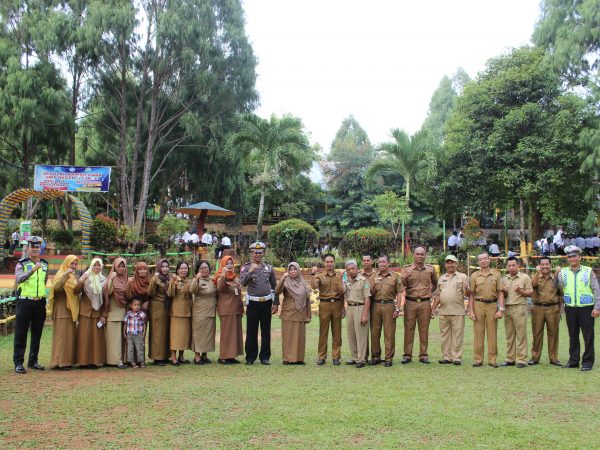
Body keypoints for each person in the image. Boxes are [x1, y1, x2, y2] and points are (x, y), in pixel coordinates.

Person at [560, 245, 600, 371]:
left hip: (586, 308)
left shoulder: (588, 271)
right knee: (573, 335)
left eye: (574, 256)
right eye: (569, 257)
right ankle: (573, 360)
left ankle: (587, 362)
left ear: (580, 257)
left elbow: (596, 290)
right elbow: (558, 289)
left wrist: (597, 307)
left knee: (588, 336)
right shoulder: (563, 272)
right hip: (570, 308)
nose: (572, 259)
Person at [13, 236, 48, 374]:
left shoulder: (44, 264)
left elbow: (44, 282)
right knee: (21, 333)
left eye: (37, 247)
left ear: (40, 248)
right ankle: (18, 363)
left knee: (37, 333)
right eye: (32, 246)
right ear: (28, 248)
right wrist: (32, 270)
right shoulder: (21, 264)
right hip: (25, 302)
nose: (34, 249)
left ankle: (33, 361)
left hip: (39, 302)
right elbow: (19, 278)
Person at [240, 242, 277, 365]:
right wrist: (250, 271)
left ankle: (265, 357)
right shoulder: (246, 267)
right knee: (251, 331)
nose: (258, 255)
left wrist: (275, 302)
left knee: (266, 331)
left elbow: (274, 285)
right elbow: (243, 283)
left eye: (260, 252)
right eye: (255, 252)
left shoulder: (269, 268)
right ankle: (250, 357)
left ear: (263, 254)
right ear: (252, 253)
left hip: (266, 303)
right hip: (253, 304)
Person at [401, 247, 438, 364]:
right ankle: (407, 355)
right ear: (414, 255)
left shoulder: (430, 269)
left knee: (424, 329)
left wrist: (429, 293)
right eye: (417, 254)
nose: (420, 256)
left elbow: (435, 283)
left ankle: (423, 355)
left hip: (425, 303)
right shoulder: (407, 269)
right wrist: (405, 277)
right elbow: (402, 285)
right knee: (409, 329)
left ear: (425, 255)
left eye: (422, 254)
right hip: (410, 302)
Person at [468, 252, 504, 367]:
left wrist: (501, 309)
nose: (483, 261)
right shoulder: (474, 276)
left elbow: (500, 292)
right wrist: (471, 310)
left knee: (492, 333)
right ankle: (478, 359)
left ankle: (492, 359)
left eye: (485, 258)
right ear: (478, 262)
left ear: (489, 260)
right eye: (481, 259)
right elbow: (471, 294)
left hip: (492, 305)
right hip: (478, 305)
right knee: (478, 333)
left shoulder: (496, 275)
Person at [432, 255, 469, 365]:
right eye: (448, 263)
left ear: (456, 264)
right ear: (445, 265)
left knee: (458, 335)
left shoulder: (462, 277)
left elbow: (467, 294)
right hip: (443, 312)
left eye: (452, 262)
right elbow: (438, 296)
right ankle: (446, 357)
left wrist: (466, 288)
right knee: (444, 335)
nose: (450, 265)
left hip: (457, 311)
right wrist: (432, 309)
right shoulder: (441, 278)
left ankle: (457, 357)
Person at [369, 255, 404, 367]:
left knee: (389, 333)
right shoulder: (373, 276)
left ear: (388, 263)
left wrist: (398, 308)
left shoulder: (395, 277)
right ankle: (376, 356)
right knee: (375, 332)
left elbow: (399, 293)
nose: (381, 264)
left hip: (389, 305)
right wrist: (373, 286)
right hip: (375, 305)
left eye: (384, 262)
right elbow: (369, 293)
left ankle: (388, 358)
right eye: (379, 262)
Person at [275, 262, 312, 365]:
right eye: (290, 269)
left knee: (299, 337)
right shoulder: (286, 281)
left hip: (300, 313)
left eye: (294, 269)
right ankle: (287, 358)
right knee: (288, 336)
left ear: (298, 270)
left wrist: (309, 314)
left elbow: (307, 299)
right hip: (289, 313)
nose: (292, 271)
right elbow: (277, 291)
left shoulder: (303, 282)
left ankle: (299, 358)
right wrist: (282, 278)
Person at [311, 253, 344, 365]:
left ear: (334, 263)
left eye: (331, 262)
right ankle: (322, 356)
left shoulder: (339, 275)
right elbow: (314, 286)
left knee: (337, 332)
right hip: (324, 305)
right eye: (327, 262)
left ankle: (336, 357)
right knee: (323, 332)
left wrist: (343, 307)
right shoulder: (319, 276)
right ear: (324, 263)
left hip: (337, 304)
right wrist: (313, 274)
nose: (329, 264)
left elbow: (342, 292)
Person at [529, 256, 563, 366]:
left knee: (553, 334)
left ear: (550, 265)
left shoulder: (556, 277)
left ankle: (553, 358)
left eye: (547, 264)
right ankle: (535, 358)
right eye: (542, 264)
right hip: (538, 308)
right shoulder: (535, 277)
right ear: (539, 265)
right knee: (537, 333)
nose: (545, 266)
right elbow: (532, 286)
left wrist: (560, 308)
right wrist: (537, 273)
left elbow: (560, 293)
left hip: (553, 309)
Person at [500, 257, 533, 368]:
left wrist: (520, 291)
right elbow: (502, 295)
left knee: (521, 334)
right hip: (508, 308)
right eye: (509, 265)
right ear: (506, 267)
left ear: (518, 266)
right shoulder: (504, 279)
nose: (511, 267)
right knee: (509, 335)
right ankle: (510, 358)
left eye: (513, 265)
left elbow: (530, 293)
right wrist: (503, 292)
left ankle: (522, 359)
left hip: (519, 307)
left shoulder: (524, 277)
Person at [48, 255, 79, 370]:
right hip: (61, 311)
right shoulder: (61, 274)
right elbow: (57, 288)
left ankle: (66, 361)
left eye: (76, 264)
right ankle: (59, 362)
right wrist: (65, 275)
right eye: (72, 263)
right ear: (67, 263)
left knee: (68, 338)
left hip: (70, 311)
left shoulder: (73, 277)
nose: (74, 266)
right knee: (61, 337)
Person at [75, 257, 107, 368]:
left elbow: (106, 298)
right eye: (95, 265)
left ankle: (94, 361)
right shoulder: (86, 277)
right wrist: (81, 280)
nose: (97, 267)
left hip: (97, 313)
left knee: (96, 339)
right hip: (85, 312)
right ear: (91, 266)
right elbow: (76, 291)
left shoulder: (103, 279)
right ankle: (82, 362)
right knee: (83, 338)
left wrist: (104, 314)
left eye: (99, 265)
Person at [215, 255, 244, 364]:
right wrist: (223, 274)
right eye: (227, 263)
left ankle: (231, 355)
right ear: (223, 265)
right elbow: (220, 287)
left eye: (231, 263)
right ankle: (223, 356)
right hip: (226, 309)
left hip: (235, 309)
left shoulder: (234, 277)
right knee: (227, 334)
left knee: (234, 334)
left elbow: (239, 290)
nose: (230, 265)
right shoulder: (219, 276)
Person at [343, 260, 371, 368]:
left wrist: (365, 314)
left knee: (361, 335)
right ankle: (354, 357)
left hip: (360, 307)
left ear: (357, 269)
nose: (351, 271)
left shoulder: (363, 281)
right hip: (350, 308)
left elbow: (367, 298)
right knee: (351, 334)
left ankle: (362, 359)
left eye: (352, 268)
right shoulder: (347, 281)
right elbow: (342, 292)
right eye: (348, 269)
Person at [102, 257, 128, 369]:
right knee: (114, 340)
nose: (121, 268)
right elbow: (106, 291)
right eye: (119, 266)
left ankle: (122, 359)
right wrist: (111, 280)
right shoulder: (111, 277)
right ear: (115, 267)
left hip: (124, 312)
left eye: (123, 266)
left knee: (122, 339)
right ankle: (115, 360)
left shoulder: (126, 279)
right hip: (113, 312)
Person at [190, 260, 217, 365]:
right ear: (198, 270)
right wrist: (196, 279)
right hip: (199, 313)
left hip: (211, 312)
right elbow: (191, 290)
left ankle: (205, 355)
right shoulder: (197, 280)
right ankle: (197, 357)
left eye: (206, 267)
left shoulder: (213, 280)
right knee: (198, 335)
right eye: (201, 268)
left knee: (208, 335)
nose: (204, 269)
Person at [167, 261, 193, 365]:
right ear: (177, 270)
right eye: (181, 268)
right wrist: (173, 283)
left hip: (187, 311)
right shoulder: (174, 280)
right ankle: (173, 357)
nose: (183, 270)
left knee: (184, 336)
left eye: (185, 268)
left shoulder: (189, 281)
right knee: (175, 335)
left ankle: (181, 356)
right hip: (176, 312)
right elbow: (170, 294)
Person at [123, 298, 147, 368]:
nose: (137, 306)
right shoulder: (128, 314)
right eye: (135, 305)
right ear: (131, 306)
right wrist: (124, 333)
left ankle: (141, 361)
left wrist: (144, 333)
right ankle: (132, 362)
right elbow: (125, 323)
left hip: (138, 334)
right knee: (130, 348)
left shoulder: (141, 314)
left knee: (139, 348)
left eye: (138, 305)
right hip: (130, 334)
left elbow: (144, 324)